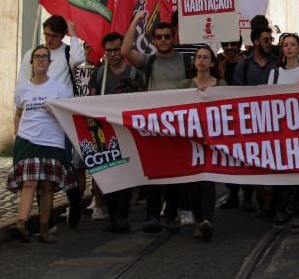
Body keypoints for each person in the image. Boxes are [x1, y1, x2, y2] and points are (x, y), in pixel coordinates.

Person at [122, 12, 192, 233]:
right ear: (153, 40)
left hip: (179, 125)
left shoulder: (186, 61)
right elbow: (125, 51)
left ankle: (170, 215)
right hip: (154, 126)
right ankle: (152, 216)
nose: (163, 40)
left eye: (167, 36)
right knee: (154, 172)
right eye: (159, 37)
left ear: (174, 37)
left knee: (175, 173)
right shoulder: (149, 61)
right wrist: (135, 21)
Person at [16, 15, 86, 229]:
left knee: (64, 164)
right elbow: (22, 85)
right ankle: (46, 221)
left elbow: (78, 59)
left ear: (62, 35)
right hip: (36, 123)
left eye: (54, 36)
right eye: (46, 34)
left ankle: (75, 202)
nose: (49, 39)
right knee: (39, 171)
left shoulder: (67, 52)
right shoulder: (34, 53)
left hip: (60, 121)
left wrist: (74, 35)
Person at [7, 45, 77, 244]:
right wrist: (17, 134)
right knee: (29, 182)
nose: (40, 59)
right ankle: (21, 223)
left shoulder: (59, 88)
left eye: (44, 57)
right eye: (37, 56)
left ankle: (44, 228)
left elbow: (67, 113)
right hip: (28, 140)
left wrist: (53, 110)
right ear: (31, 62)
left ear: (49, 62)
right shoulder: (22, 89)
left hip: (52, 141)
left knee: (47, 185)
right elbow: (18, 114)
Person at [90, 32, 147, 233]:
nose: (113, 54)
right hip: (104, 132)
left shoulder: (134, 74)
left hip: (126, 131)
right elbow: (91, 102)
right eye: (109, 51)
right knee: (108, 174)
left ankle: (122, 216)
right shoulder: (99, 75)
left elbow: (143, 101)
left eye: (116, 50)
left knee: (124, 175)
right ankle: (113, 216)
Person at [177, 46, 227, 242]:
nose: (201, 60)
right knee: (193, 182)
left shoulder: (221, 85)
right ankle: (199, 220)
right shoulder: (185, 85)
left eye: (205, 57)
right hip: (190, 141)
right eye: (198, 57)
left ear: (212, 63)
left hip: (211, 141)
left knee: (207, 179)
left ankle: (206, 220)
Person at [226, 27, 277, 213]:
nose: (270, 43)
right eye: (266, 40)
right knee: (253, 160)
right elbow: (237, 92)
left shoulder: (277, 63)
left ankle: (271, 201)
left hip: (274, 121)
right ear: (255, 42)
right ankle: (256, 197)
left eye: (271, 39)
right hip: (252, 122)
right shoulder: (244, 65)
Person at [268, 33, 299, 233]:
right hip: (281, 130)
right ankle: (283, 210)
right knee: (282, 172)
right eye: (285, 45)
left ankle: (298, 213)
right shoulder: (274, 74)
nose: (288, 48)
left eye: (293, 44)